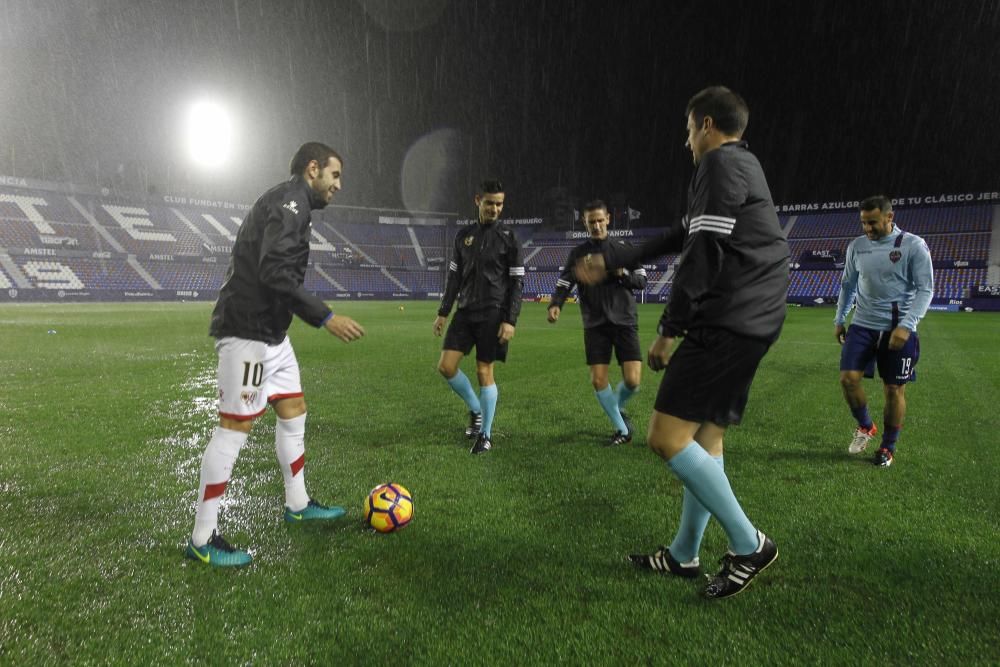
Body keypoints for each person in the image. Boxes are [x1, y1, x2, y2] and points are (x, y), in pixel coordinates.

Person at [574, 86, 788, 599]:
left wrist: (671, 328)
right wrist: (618, 259)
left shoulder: (717, 167)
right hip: (754, 317)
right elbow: (681, 235)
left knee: (666, 438)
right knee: (705, 441)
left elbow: (704, 251)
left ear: (707, 125)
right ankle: (684, 553)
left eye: (689, 128)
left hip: (728, 319)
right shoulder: (743, 165)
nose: (686, 139)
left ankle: (749, 543)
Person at [185, 142, 366, 567]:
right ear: (313, 169)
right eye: (335, 176)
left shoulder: (292, 203)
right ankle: (202, 537)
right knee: (234, 429)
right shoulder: (290, 205)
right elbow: (273, 272)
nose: (338, 186)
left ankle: (298, 504)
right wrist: (326, 317)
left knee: (294, 408)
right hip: (247, 332)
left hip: (272, 334)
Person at [835, 196, 934, 467]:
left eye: (873, 222)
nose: (867, 228)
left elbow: (926, 289)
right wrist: (839, 319)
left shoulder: (913, 245)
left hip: (897, 329)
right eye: (864, 223)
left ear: (889, 218)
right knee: (848, 379)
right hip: (862, 326)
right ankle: (866, 426)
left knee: (893, 389)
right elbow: (848, 285)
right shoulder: (857, 246)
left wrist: (907, 325)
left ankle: (887, 447)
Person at [433, 179, 525, 454]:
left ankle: (485, 435)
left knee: (484, 371)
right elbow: (454, 277)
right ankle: (476, 410)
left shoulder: (509, 238)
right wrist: (443, 312)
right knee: (446, 366)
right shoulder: (463, 236)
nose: (495, 209)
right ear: (477, 201)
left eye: (499, 204)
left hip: (493, 313)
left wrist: (510, 320)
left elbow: (517, 283)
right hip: (465, 310)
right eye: (490, 203)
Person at [547, 200, 647, 446]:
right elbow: (564, 283)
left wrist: (620, 274)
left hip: (624, 320)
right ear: (585, 223)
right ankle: (622, 430)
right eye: (591, 222)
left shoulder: (624, 248)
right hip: (595, 322)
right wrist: (555, 304)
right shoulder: (578, 253)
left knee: (633, 381)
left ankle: (617, 409)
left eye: (600, 220)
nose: (596, 225)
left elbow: (642, 281)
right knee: (598, 380)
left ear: (608, 219)